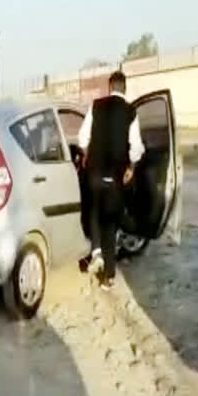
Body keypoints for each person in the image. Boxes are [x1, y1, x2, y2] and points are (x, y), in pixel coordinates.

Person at [77, 71, 145, 291]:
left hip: (95, 172)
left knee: (94, 211)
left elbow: (82, 138)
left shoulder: (96, 106)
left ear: (109, 87)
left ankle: (96, 252)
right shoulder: (130, 111)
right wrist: (132, 168)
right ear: (124, 88)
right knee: (111, 223)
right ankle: (109, 277)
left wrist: (87, 153)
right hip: (116, 177)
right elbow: (136, 148)